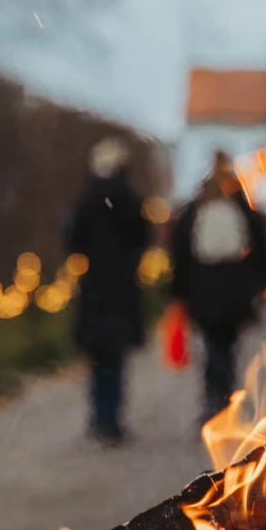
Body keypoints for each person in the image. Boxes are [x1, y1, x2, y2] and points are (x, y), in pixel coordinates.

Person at [170, 151, 266, 422]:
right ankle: (225, 400)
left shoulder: (195, 210)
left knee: (213, 347)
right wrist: (264, 284)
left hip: (204, 287)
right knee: (226, 347)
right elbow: (260, 249)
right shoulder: (242, 208)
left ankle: (213, 401)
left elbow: (181, 253)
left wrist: (179, 291)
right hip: (233, 287)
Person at [66, 137, 151, 445]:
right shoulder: (130, 198)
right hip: (122, 286)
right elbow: (143, 238)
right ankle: (112, 419)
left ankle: (99, 416)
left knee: (97, 355)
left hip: (95, 287)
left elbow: (74, 240)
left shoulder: (87, 199)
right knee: (115, 356)